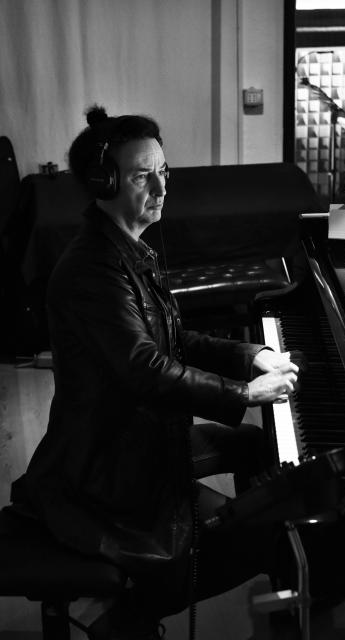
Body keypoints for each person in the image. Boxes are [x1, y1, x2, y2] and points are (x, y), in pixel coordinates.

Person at [11, 105, 301, 640]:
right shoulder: (93, 270)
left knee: (254, 448)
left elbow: (175, 339)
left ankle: (262, 555)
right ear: (104, 183)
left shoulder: (125, 249)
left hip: (133, 437)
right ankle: (128, 614)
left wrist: (248, 355)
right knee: (263, 538)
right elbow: (146, 370)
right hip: (107, 465)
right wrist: (244, 393)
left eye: (163, 171)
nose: (162, 187)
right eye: (142, 176)